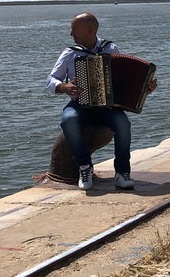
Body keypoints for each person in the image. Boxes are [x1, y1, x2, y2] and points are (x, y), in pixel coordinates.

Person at [46, 13, 157, 190]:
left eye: (74, 30)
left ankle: (122, 172)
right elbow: (51, 79)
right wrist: (64, 86)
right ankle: (84, 167)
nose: (71, 34)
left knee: (123, 124)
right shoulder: (70, 53)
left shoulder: (110, 49)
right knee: (68, 119)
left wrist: (144, 88)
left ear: (90, 31)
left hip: (108, 106)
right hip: (80, 104)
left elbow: (126, 79)